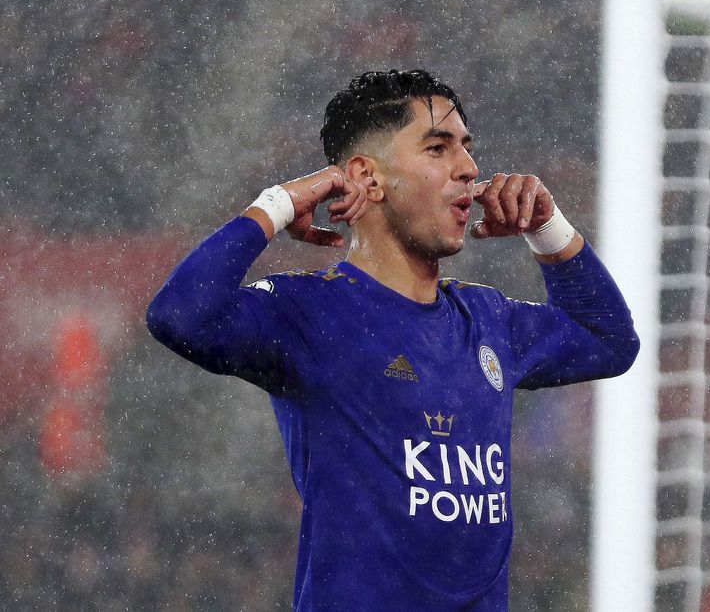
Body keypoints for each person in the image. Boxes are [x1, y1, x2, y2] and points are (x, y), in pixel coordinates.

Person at [146, 69, 639, 610]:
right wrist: (279, 202)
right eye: (437, 148)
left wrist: (549, 228)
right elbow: (180, 317)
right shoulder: (313, 313)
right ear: (367, 177)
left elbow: (610, 340)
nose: (469, 168)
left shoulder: (487, 318)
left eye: (467, 149)